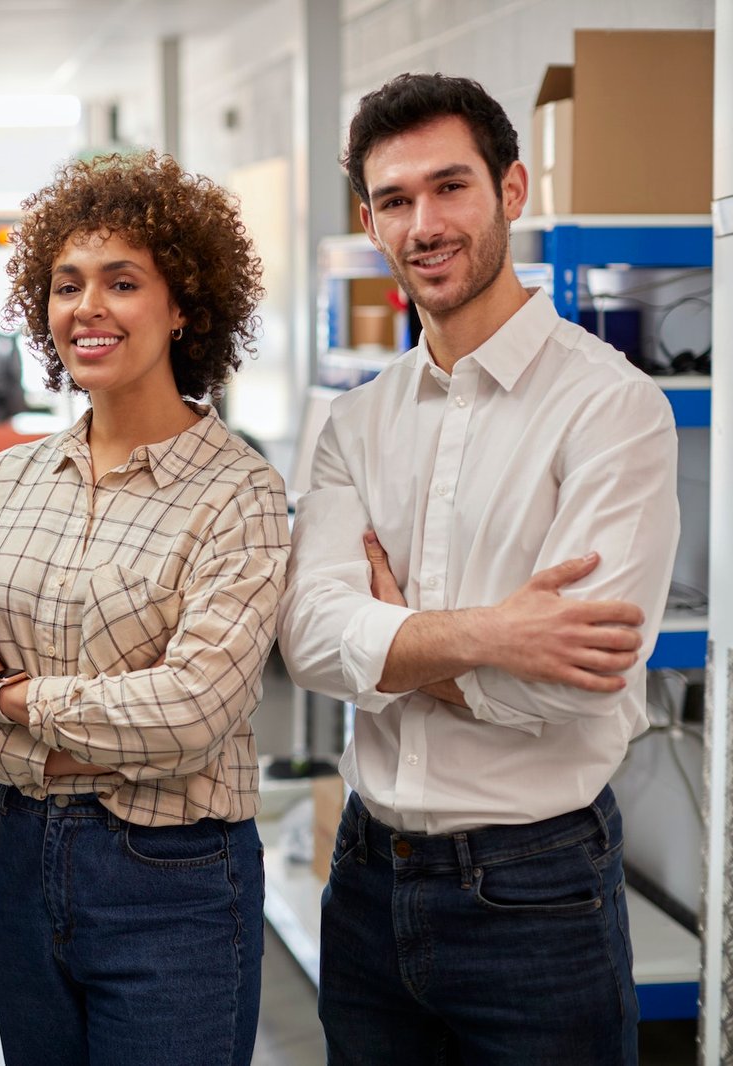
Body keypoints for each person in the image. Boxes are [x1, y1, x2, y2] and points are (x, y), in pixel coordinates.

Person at [277, 73, 679, 1064]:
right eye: (396, 200)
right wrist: (492, 635)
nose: (425, 222)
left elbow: (574, 690)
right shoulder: (353, 422)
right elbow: (312, 643)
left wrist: (398, 637)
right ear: (370, 224)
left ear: (511, 189)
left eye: (450, 186)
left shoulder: (611, 410)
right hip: (366, 882)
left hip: (536, 888)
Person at [0, 150, 288, 1066]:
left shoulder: (239, 494)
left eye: (122, 282)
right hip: (17, 860)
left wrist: (10, 700)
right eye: (66, 284)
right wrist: (14, 715)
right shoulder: (10, 481)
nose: (87, 307)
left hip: (173, 881)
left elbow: (192, 712)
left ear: (183, 306)